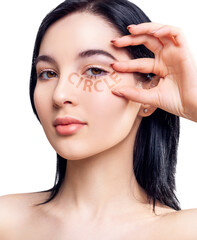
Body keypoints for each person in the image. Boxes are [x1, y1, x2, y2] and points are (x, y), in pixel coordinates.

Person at [0, 0, 197, 239]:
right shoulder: (7, 221)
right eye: (48, 73)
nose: (60, 95)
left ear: (149, 91)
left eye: (94, 70)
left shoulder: (185, 230)